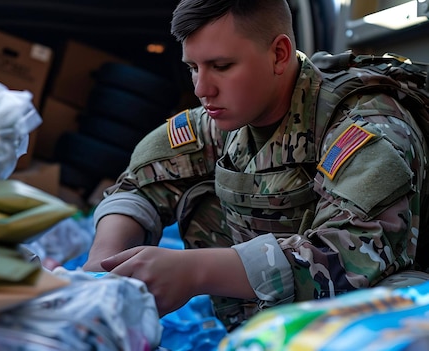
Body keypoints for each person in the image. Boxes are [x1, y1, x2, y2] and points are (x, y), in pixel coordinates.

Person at [81, 0, 429, 331]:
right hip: (278, 319)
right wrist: (102, 264)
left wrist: (196, 271)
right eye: (193, 68)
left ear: (278, 55)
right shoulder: (231, 116)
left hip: (363, 308)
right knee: (201, 196)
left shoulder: (368, 128)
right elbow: (141, 183)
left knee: (401, 302)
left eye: (221, 67)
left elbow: (350, 256)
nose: (203, 88)